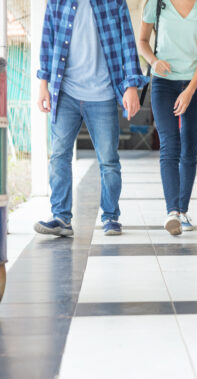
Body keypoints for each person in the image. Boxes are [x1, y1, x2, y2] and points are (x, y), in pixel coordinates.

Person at [34, 0, 147, 237]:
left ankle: (111, 216)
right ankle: (61, 218)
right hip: (65, 92)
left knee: (108, 160)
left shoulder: (114, 2)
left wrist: (132, 85)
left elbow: (127, 41)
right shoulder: (57, 2)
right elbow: (48, 41)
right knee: (58, 156)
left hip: (103, 93)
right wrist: (43, 85)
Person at [138, 0, 197, 235]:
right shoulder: (156, 4)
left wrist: (190, 90)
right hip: (163, 84)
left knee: (190, 147)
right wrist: (154, 61)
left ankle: (183, 210)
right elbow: (142, 41)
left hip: (196, 84)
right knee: (169, 145)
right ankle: (172, 211)